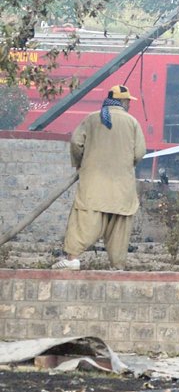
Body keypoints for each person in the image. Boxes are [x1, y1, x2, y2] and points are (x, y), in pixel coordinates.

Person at [53, 84, 147, 270]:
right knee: (119, 226)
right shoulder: (132, 123)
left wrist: (81, 163)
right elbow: (139, 153)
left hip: (93, 183)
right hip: (122, 187)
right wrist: (125, 164)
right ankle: (117, 265)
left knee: (85, 220)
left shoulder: (92, 119)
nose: (129, 104)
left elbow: (76, 142)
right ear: (123, 101)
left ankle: (72, 259)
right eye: (128, 101)